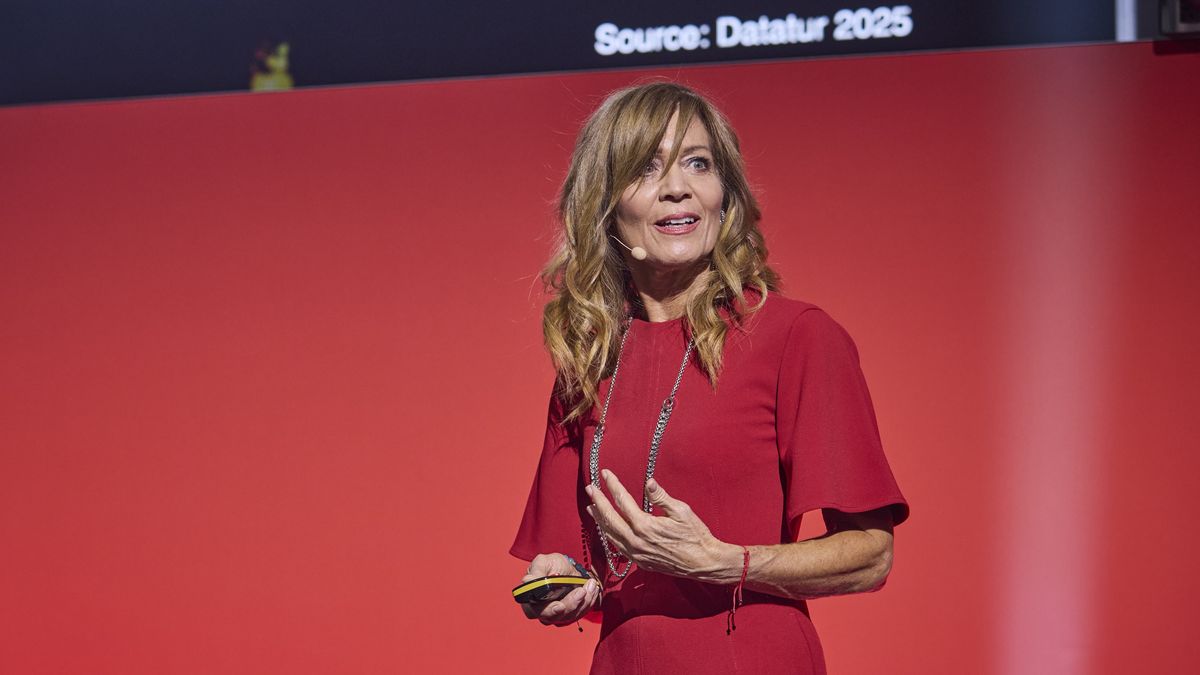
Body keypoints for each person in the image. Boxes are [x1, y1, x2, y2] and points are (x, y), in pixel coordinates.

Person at [511, 81, 908, 674]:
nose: (679, 187)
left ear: (726, 195)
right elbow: (600, 568)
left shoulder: (796, 336)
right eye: (647, 170)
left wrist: (726, 562)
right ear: (605, 205)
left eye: (698, 163)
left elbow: (870, 556)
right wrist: (571, 585)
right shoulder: (588, 360)